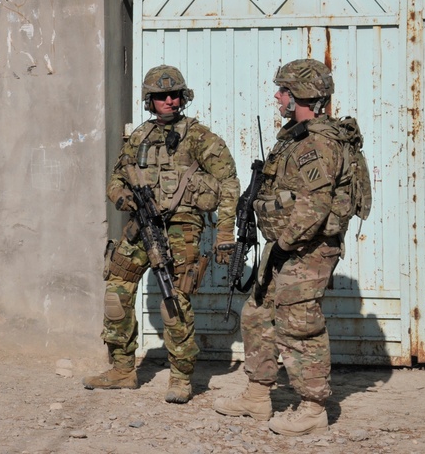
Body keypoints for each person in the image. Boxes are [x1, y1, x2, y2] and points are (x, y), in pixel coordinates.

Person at [83, 65, 239, 404]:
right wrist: (122, 197)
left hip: (183, 226)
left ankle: (182, 378)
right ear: (149, 100)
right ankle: (122, 369)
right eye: (160, 96)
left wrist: (225, 230)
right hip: (141, 224)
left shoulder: (200, 138)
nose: (168, 100)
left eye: (173, 95)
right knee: (116, 293)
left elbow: (228, 182)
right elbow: (115, 179)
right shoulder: (139, 137)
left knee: (174, 301)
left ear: (183, 97)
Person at [213, 58, 351, 436]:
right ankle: (258, 394)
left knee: (299, 323)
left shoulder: (319, 144)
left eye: (283, 90)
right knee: (257, 314)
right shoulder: (295, 135)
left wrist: (284, 242)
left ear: (301, 95)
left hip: (308, 248)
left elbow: (315, 206)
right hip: (286, 245)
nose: (277, 96)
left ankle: (311, 409)